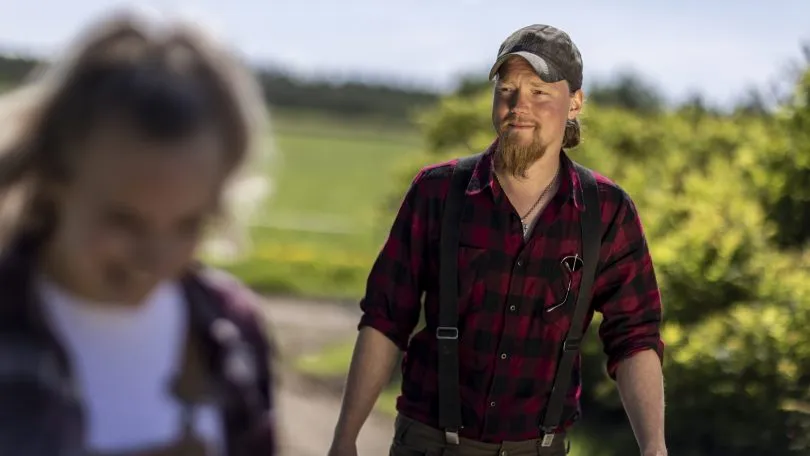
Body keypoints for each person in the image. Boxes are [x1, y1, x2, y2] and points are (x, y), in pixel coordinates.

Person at [329, 24, 667, 456]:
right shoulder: (437, 192)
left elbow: (635, 337)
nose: (518, 105)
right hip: (428, 446)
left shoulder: (608, 213)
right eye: (507, 88)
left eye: (539, 92)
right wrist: (344, 439)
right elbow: (384, 319)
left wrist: (654, 449)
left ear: (575, 103)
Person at [0, 9, 277, 456]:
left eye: (189, 223)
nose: (157, 255)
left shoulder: (229, 331)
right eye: (124, 220)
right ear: (54, 178)